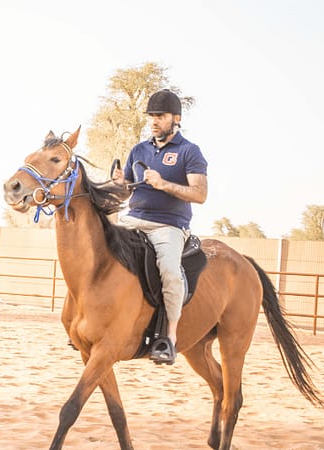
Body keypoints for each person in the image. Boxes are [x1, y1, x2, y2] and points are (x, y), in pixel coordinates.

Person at [111, 89, 208, 365]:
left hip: (169, 226)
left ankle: (169, 339)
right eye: (152, 116)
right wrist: (119, 183)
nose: (154, 121)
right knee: (102, 250)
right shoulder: (138, 150)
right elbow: (125, 193)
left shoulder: (189, 151)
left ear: (176, 118)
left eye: (160, 116)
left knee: (170, 272)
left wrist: (163, 183)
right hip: (133, 218)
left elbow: (200, 194)